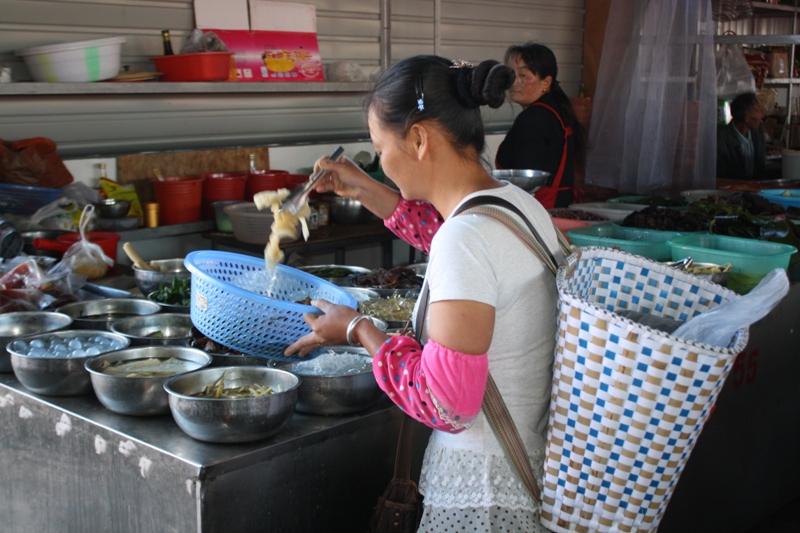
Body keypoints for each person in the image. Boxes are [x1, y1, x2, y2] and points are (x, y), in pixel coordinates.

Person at [285, 55, 565, 533]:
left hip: (484, 490)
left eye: (380, 147)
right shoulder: (515, 205)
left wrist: (357, 329)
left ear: (418, 139)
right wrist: (367, 188)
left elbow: (444, 404)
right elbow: (452, 239)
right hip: (528, 461)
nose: (381, 161)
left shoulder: (466, 239)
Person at [495, 42, 587, 209]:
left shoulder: (534, 119)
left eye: (523, 75)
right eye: (510, 74)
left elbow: (524, 184)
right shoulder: (557, 110)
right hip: (563, 206)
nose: (514, 82)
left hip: (540, 210)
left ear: (546, 82)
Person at [717, 92, 767, 180]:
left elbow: (761, 169)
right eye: (759, 111)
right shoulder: (721, 139)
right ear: (747, 118)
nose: (762, 116)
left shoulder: (758, 133)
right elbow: (722, 175)